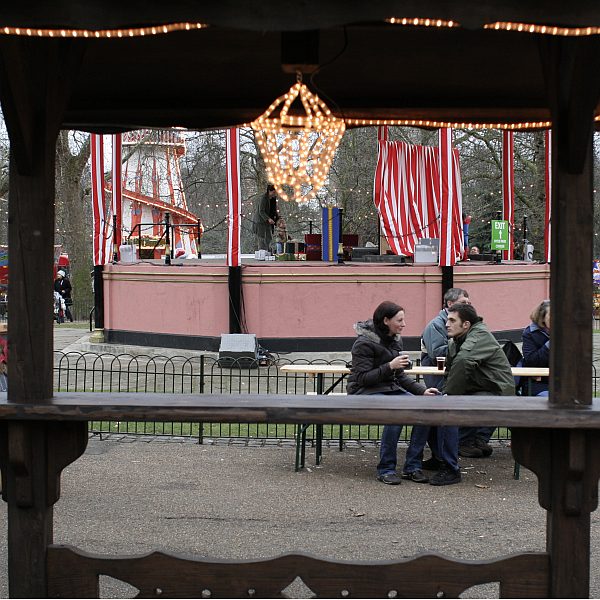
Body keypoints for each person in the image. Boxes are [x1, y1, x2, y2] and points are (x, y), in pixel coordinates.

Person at [347, 301, 439, 486]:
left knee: (426, 408)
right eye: (400, 320)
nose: (404, 324)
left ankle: (412, 467)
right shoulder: (363, 343)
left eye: (404, 320)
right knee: (396, 412)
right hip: (364, 392)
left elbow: (400, 377)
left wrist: (422, 392)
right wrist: (390, 366)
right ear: (386, 320)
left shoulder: (396, 339)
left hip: (389, 390)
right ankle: (386, 469)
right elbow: (363, 378)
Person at [445, 303, 515, 470]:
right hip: (481, 389)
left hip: (498, 392)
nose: (447, 324)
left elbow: (463, 361)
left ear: (466, 324)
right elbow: (451, 369)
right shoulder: (456, 340)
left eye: (452, 320)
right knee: (449, 405)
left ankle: (466, 443)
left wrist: (448, 396)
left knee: (462, 405)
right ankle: (469, 443)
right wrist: (445, 394)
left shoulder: (479, 335)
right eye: (447, 319)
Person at [417, 288, 470, 470]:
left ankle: (442, 455)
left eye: (468, 303)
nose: (468, 306)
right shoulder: (435, 325)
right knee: (441, 411)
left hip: (452, 373)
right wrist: (461, 347)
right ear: (450, 304)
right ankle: (441, 457)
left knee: (443, 414)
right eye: (464, 303)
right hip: (436, 373)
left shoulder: (464, 323)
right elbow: (437, 352)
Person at [521, 300, 550, 396]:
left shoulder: (566, 332)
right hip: (537, 383)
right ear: (542, 318)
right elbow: (532, 361)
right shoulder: (530, 333)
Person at [252, 184, 279, 252]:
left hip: (267, 222)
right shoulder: (263, 198)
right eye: (273, 192)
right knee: (261, 237)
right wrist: (268, 219)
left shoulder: (273, 199)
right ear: (269, 191)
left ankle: (268, 250)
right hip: (260, 221)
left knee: (269, 236)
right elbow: (261, 211)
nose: (275, 193)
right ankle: (262, 252)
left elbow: (274, 210)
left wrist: (277, 218)